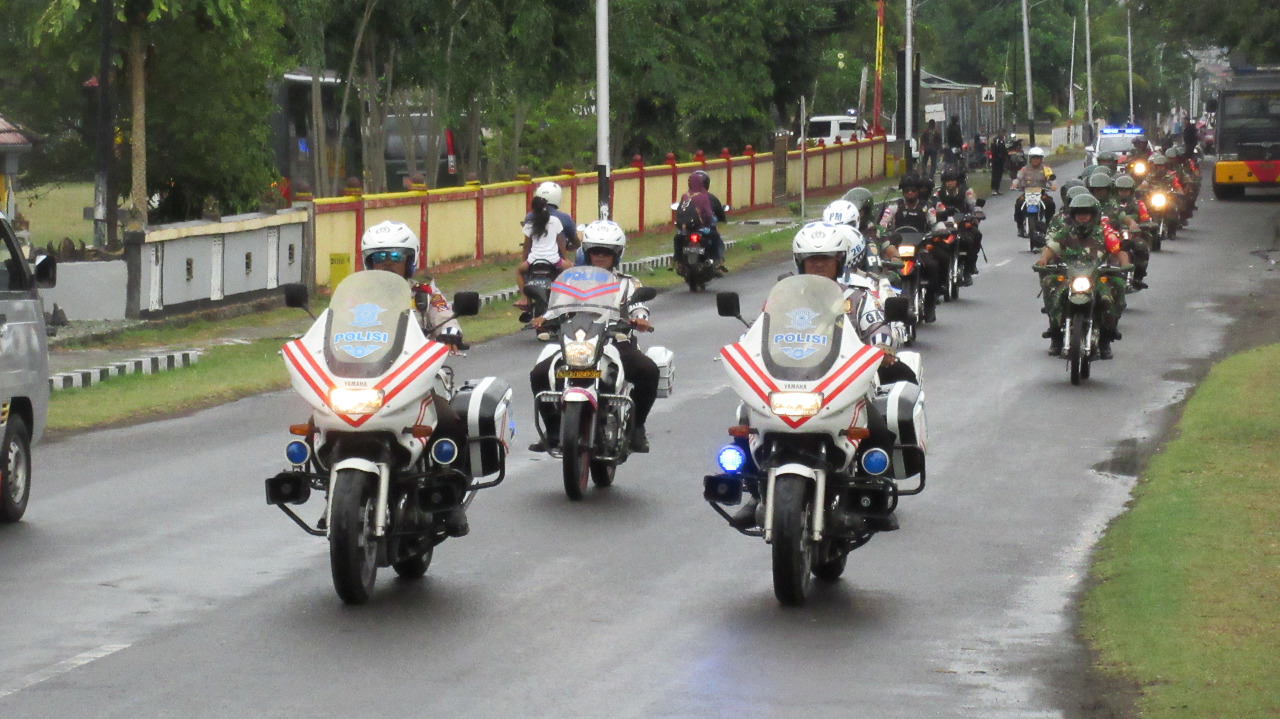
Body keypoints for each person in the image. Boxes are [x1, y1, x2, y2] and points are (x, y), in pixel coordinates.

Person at [728, 222, 913, 532]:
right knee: (745, 418)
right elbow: (759, 331)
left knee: (878, 429)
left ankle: (874, 492)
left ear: (839, 262)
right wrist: (744, 346)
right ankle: (754, 492)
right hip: (789, 381)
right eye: (811, 260)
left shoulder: (858, 297)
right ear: (800, 262)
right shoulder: (783, 298)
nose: (817, 265)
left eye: (825, 259)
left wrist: (883, 347)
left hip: (843, 386)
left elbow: (878, 329)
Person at [359, 220, 471, 537]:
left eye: (395, 255)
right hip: (365, 381)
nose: (387, 263)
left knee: (449, 420)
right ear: (368, 261)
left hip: (416, 381)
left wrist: (449, 333)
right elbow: (332, 325)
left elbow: (445, 317)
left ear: (410, 259)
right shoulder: (356, 295)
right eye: (379, 257)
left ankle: (450, 501)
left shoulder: (423, 294)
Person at [529, 220, 660, 454]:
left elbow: (638, 307)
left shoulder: (627, 283)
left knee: (649, 370)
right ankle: (552, 431)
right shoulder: (570, 280)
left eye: (606, 252)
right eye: (595, 251)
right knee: (539, 374)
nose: (600, 256)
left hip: (614, 342)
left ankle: (637, 427)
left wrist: (639, 318)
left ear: (616, 254)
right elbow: (555, 307)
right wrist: (543, 317)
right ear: (586, 252)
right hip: (576, 342)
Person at [1035, 194, 1129, 359]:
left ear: (1094, 215)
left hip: (1097, 277)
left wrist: (1124, 265)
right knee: (1050, 285)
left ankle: (1106, 338)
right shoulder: (1066, 232)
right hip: (1069, 277)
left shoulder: (1104, 233)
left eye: (1086, 214)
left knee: (1113, 291)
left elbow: (1119, 251)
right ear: (1073, 215)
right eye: (1079, 214)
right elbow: (1051, 248)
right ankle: (1056, 334)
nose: (1083, 217)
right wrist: (1043, 258)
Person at [878, 173, 941, 322]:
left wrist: (941, 229)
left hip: (920, 249)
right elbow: (882, 224)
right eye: (907, 191)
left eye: (913, 190)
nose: (910, 193)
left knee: (933, 267)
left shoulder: (926, 207)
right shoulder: (894, 207)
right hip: (897, 249)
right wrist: (883, 232)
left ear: (918, 191)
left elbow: (936, 223)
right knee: (882, 272)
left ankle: (930, 305)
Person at [514, 195, 569, 309]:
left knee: (519, 271)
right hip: (554, 261)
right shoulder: (555, 221)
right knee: (572, 270)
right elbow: (561, 242)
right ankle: (566, 298)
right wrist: (564, 258)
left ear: (532, 209)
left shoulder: (529, 224)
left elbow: (526, 247)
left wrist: (523, 260)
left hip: (533, 261)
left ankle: (525, 299)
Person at [932, 168, 982, 281]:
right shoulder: (938, 194)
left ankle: (969, 267)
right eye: (947, 181)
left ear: (957, 181)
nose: (950, 183)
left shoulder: (966, 191)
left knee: (976, 235)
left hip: (963, 224)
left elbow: (973, 204)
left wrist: (977, 213)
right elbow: (936, 206)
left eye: (952, 180)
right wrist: (941, 212)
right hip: (944, 226)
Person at [672, 171, 726, 271]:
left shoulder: (685, 196)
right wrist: (709, 222)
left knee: (677, 238)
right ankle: (717, 261)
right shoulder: (707, 196)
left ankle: (678, 262)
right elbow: (709, 214)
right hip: (702, 227)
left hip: (687, 228)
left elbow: (680, 210)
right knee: (716, 238)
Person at [1110, 174, 1152, 290]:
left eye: (1126, 191)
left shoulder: (1138, 204)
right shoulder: (1111, 205)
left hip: (1132, 235)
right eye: (1120, 190)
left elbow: (1145, 219)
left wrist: (1138, 226)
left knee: (1141, 246)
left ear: (1131, 191)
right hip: (1112, 234)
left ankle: (1138, 277)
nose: (1123, 193)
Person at [1011, 147, 1057, 238]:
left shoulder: (1046, 169)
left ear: (1041, 159)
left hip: (1041, 193)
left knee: (1050, 203)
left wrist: (1053, 185)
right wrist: (1014, 184)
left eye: (1038, 158)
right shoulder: (1024, 169)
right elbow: (1018, 178)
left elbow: (1051, 178)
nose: (1036, 160)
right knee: (1019, 203)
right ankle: (1020, 227)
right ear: (1030, 159)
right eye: (1034, 158)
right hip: (1027, 193)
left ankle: (1049, 226)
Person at [989, 129, 1010, 195]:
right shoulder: (995, 140)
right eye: (1002, 133)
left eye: (1004, 133)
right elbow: (993, 149)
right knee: (995, 174)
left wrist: (1006, 156)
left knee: (1000, 175)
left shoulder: (1003, 141)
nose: (1003, 135)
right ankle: (993, 189)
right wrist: (998, 155)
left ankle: (997, 188)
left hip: (1001, 161)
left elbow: (1004, 150)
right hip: (996, 160)